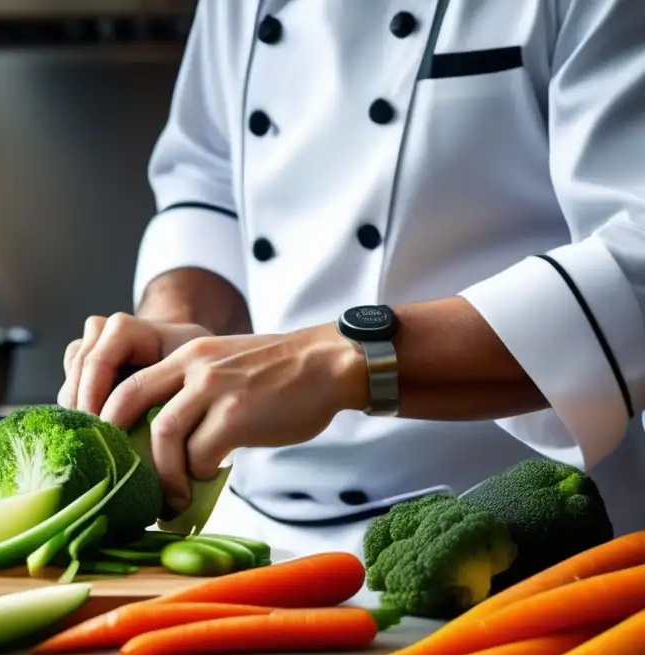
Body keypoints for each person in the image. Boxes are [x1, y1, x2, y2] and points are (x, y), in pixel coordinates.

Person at [57, 0, 645, 591]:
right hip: (249, 537)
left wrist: (341, 359)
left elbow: (634, 262)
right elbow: (208, 180)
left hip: (513, 544)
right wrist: (176, 325)